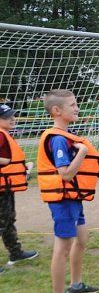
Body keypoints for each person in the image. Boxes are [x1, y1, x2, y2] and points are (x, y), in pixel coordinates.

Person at [37, 90, 99, 293]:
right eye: (72, 105)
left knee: (82, 238)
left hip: (73, 198)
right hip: (63, 200)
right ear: (57, 111)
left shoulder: (67, 136)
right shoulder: (57, 139)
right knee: (62, 247)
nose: (77, 108)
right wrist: (83, 152)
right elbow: (65, 175)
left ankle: (75, 285)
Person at [0, 105, 38, 275]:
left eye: (12, 115)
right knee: (3, 223)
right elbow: (6, 160)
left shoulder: (4, 135)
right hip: (2, 187)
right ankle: (15, 252)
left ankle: (15, 253)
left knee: (8, 220)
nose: (12, 118)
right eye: (7, 116)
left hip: (6, 186)